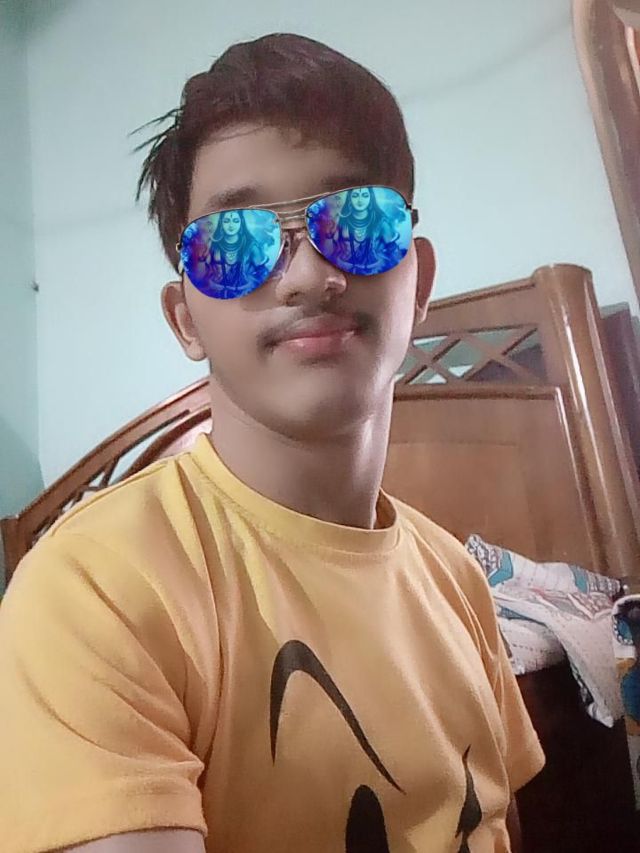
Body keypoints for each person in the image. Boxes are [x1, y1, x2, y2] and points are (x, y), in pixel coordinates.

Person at [0, 33, 544, 853]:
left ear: (420, 281)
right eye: (235, 243)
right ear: (185, 318)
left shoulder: (459, 581)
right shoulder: (96, 590)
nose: (305, 275)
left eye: (357, 220)